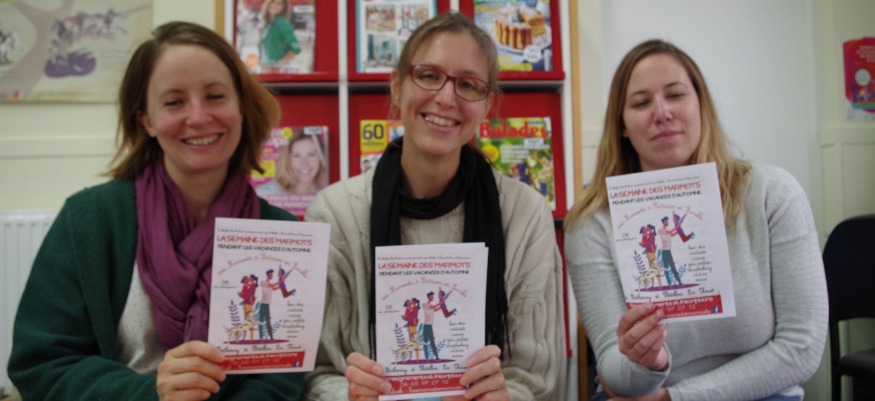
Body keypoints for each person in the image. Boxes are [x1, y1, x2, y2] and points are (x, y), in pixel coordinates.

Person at [7, 21, 304, 400]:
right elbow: (42, 362)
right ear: (145, 119)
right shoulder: (89, 220)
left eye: (215, 96)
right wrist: (151, 394)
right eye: (174, 102)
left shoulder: (281, 233)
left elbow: (283, 377)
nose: (198, 116)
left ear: (242, 108)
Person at [303, 12, 566, 401]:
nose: (445, 98)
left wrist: (505, 396)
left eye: (468, 85)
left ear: (488, 103)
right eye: (428, 76)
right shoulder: (334, 214)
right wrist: (349, 395)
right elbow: (315, 372)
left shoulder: (525, 215)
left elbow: (538, 377)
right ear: (396, 86)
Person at [564, 39, 827, 401]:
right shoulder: (591, 222)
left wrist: (676, 398)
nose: (662, 113)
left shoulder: (772, 194)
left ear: (701, 105)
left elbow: (802, 346)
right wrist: (644, 364)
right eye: (641, 103)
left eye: (675, 95)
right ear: (621, 125)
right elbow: (614, 373)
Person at [259, 0, 301, 67]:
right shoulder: (267, 24)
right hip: (266, 67)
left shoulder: (283, 24)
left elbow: (296, 49)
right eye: (272, 2)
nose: (274, 5)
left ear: (283, 7)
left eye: (279, 3)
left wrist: (277, 65)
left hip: (278, 69)